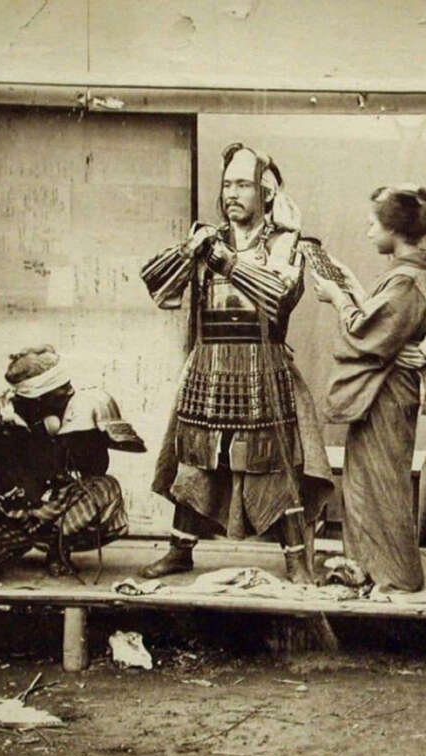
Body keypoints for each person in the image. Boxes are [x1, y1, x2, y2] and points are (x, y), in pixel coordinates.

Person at [140, 143, 333, 583]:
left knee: (274, 461)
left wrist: (224, 261)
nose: (232, 193)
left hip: (263, 367)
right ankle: (179, 550)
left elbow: (278, 296)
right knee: (195, 457)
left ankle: (296, 560)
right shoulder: (207, 237)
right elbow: (160, 290)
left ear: (265, 192)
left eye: (243, 184)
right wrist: (191, 250)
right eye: (227, 184)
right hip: (208, 366)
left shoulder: (288, 243)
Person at [312, 185, 426, 592]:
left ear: (394, 230)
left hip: (387, 393)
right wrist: (356, 288)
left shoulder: (407, 281)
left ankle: (395, 575)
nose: (367, 230)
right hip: (387, 388)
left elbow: (366, 333)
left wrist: (337, 299)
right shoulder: (410, 276)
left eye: (372, 224)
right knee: (366, 481)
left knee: (381, 484)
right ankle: (367, 568)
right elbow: (387, 329)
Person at [0, 345, 145, 591]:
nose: (69, 394)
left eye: (68, 388)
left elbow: (93, 471)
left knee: (106, 488)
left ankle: (58, 549)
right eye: (61, 393)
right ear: (37, 398)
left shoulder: (73, 411)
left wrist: (87, 439)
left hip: (41, 515)